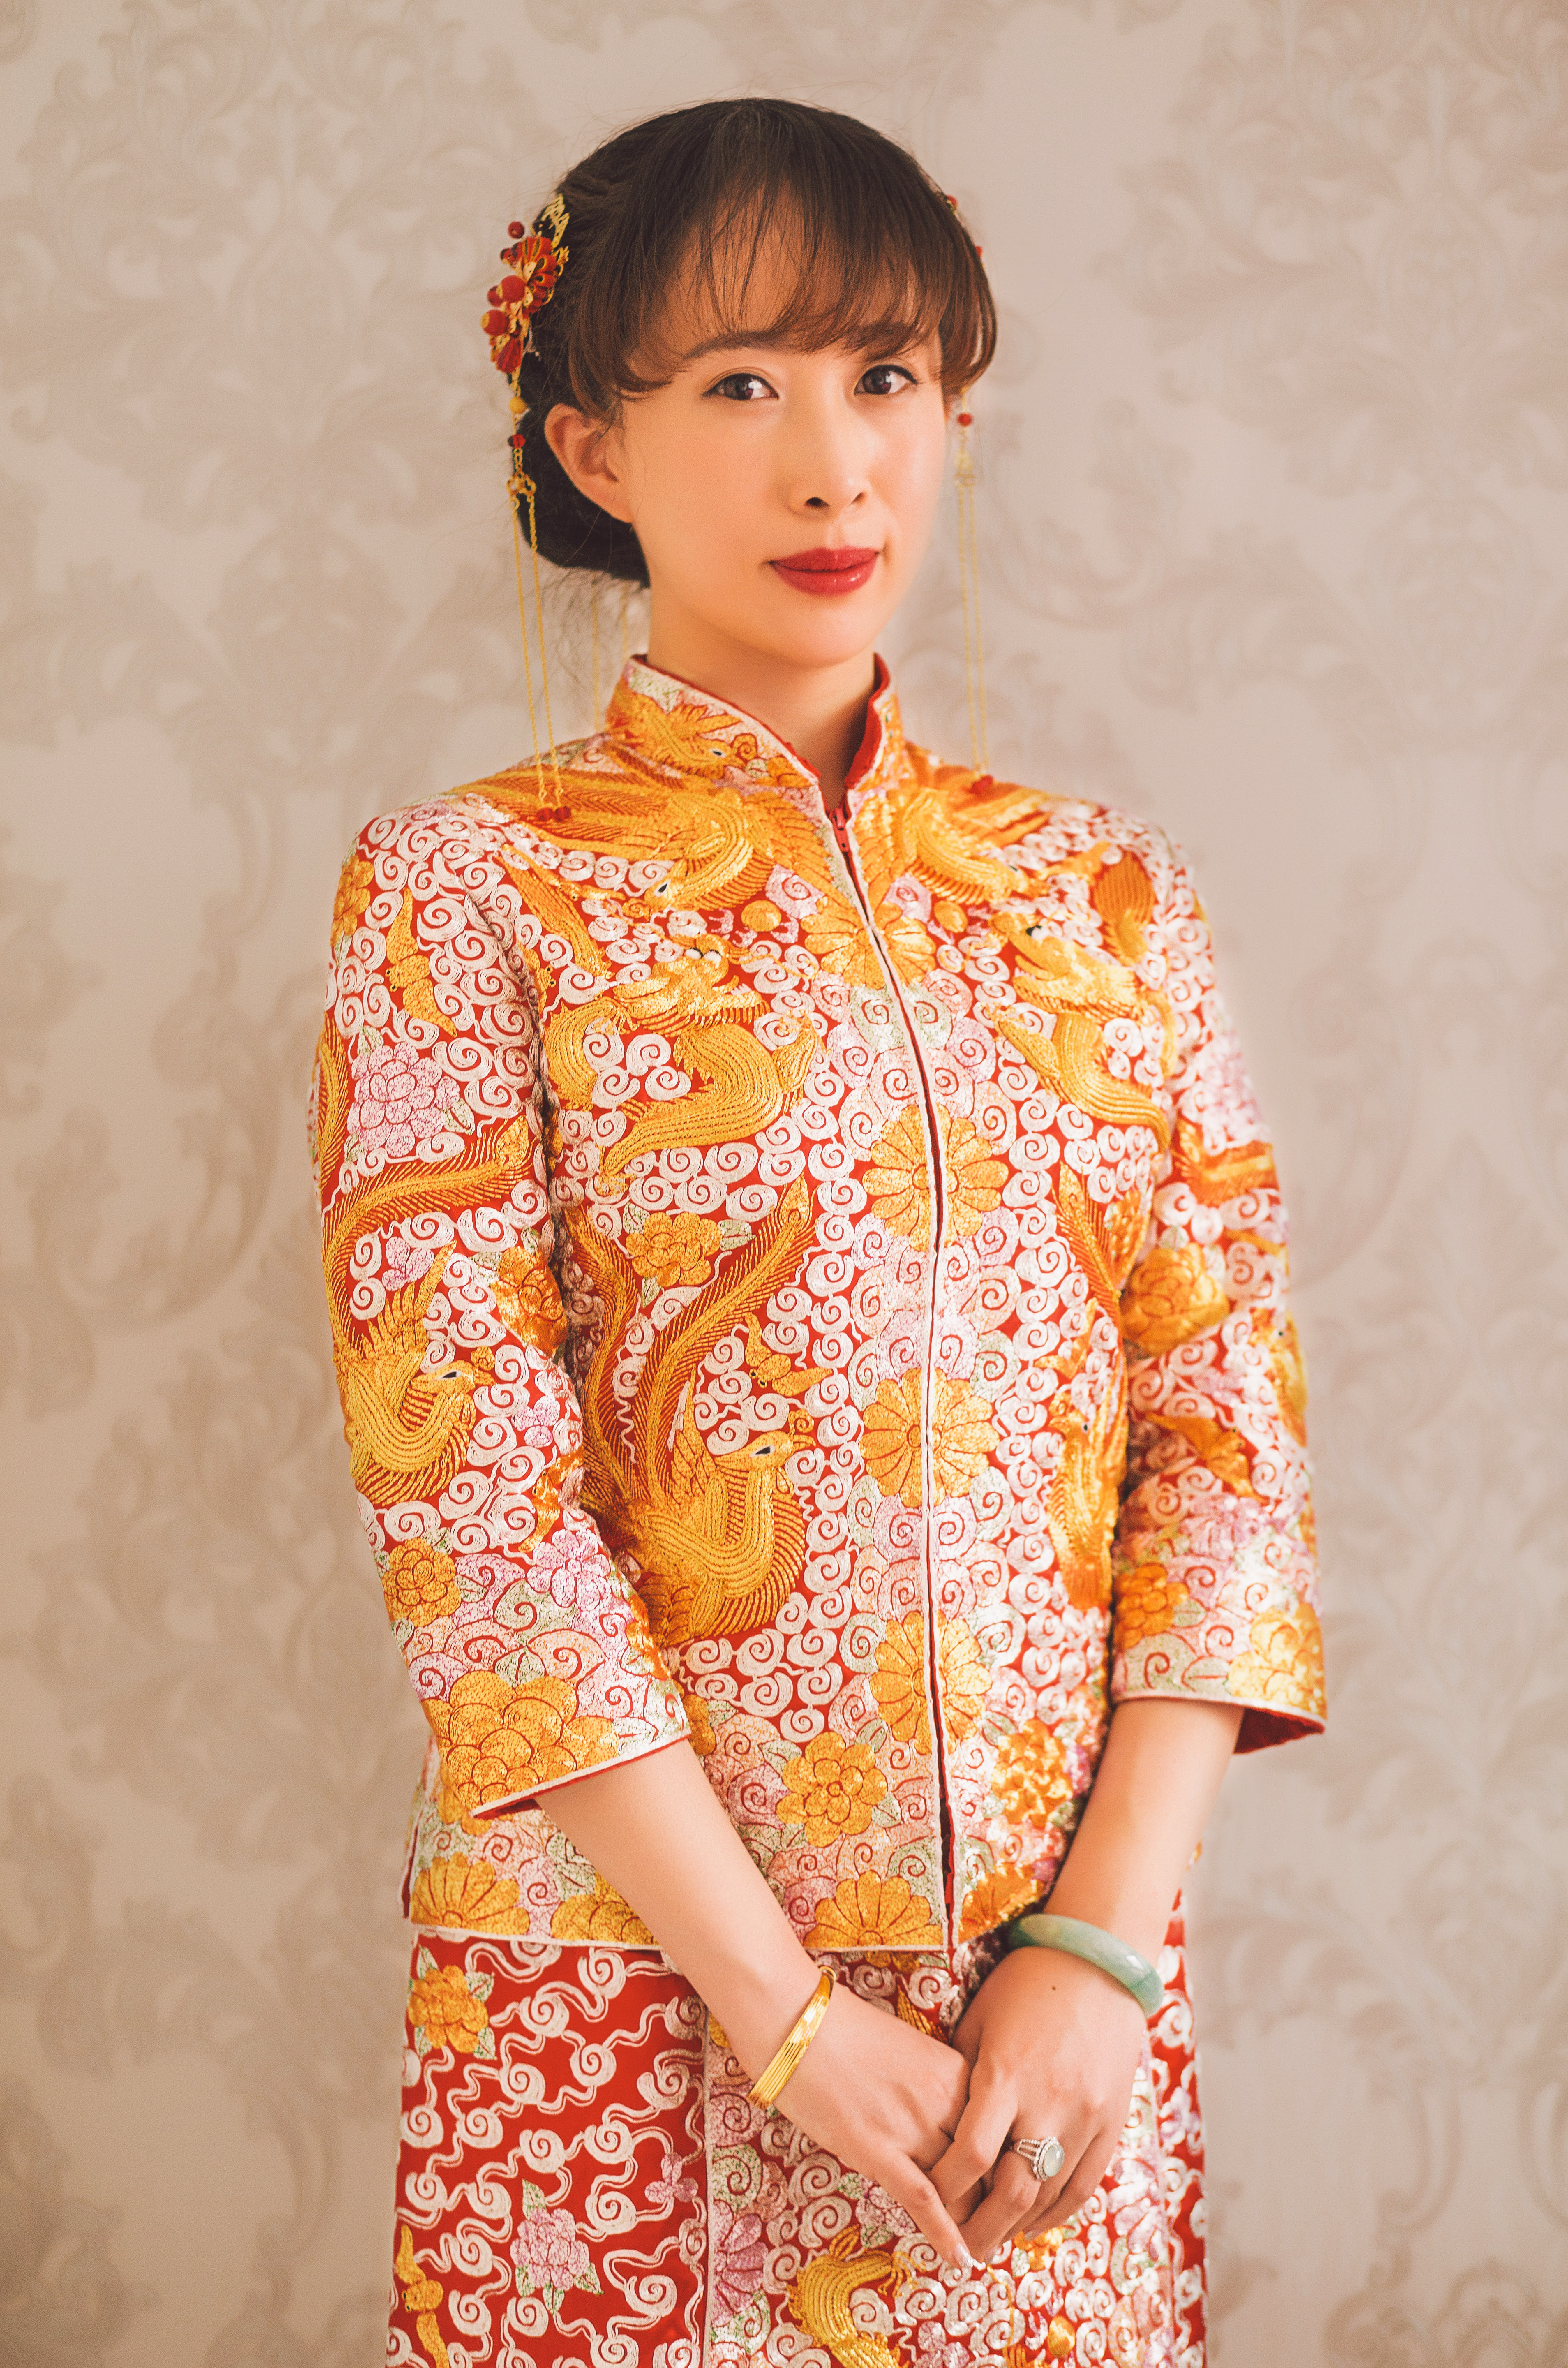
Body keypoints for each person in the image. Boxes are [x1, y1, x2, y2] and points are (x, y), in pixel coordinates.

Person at [313, 97, 1324, 2368]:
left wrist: (1099, 1954)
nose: (831, 463)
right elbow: (471, 1501)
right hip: (615, 2012)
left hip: (1037, 2043)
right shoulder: (463, 893)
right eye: (742, 385)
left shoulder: (1106, 901)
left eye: (885, 375)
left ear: (954, 413)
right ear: (594, 448)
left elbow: (1224, 1444)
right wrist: (776, 2014)